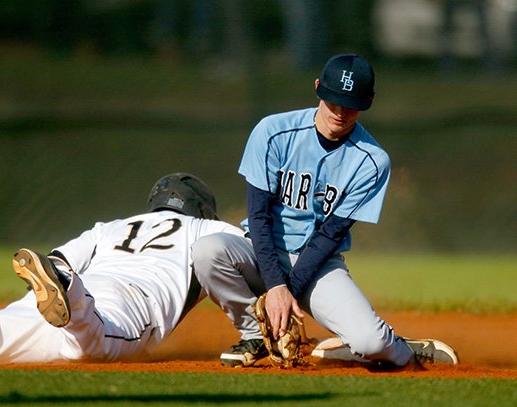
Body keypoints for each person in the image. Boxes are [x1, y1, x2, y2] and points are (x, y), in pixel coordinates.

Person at [191, 53, 459, 369]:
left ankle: (398, 348)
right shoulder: (273, 132)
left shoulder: (372, 162)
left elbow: (330, 234)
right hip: (260, 252)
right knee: (208, 251)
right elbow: (259, 216)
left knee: (371, 342)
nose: (341, 111)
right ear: (317, 88)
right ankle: (257, 335)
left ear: (368, 101)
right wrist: (276, 287)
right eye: (333, 100)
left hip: (318, 265)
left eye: (352, 103)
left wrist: (287, 293)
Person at [0, 173, 245, 363]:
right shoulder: (207, 230)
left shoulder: (111, 227)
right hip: (125, 300)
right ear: (202, 210)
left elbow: (56, 260)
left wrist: (57, 276)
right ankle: (71, 299)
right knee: (92, 348)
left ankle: (68, 290)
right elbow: (253, 252)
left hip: (77, 286)